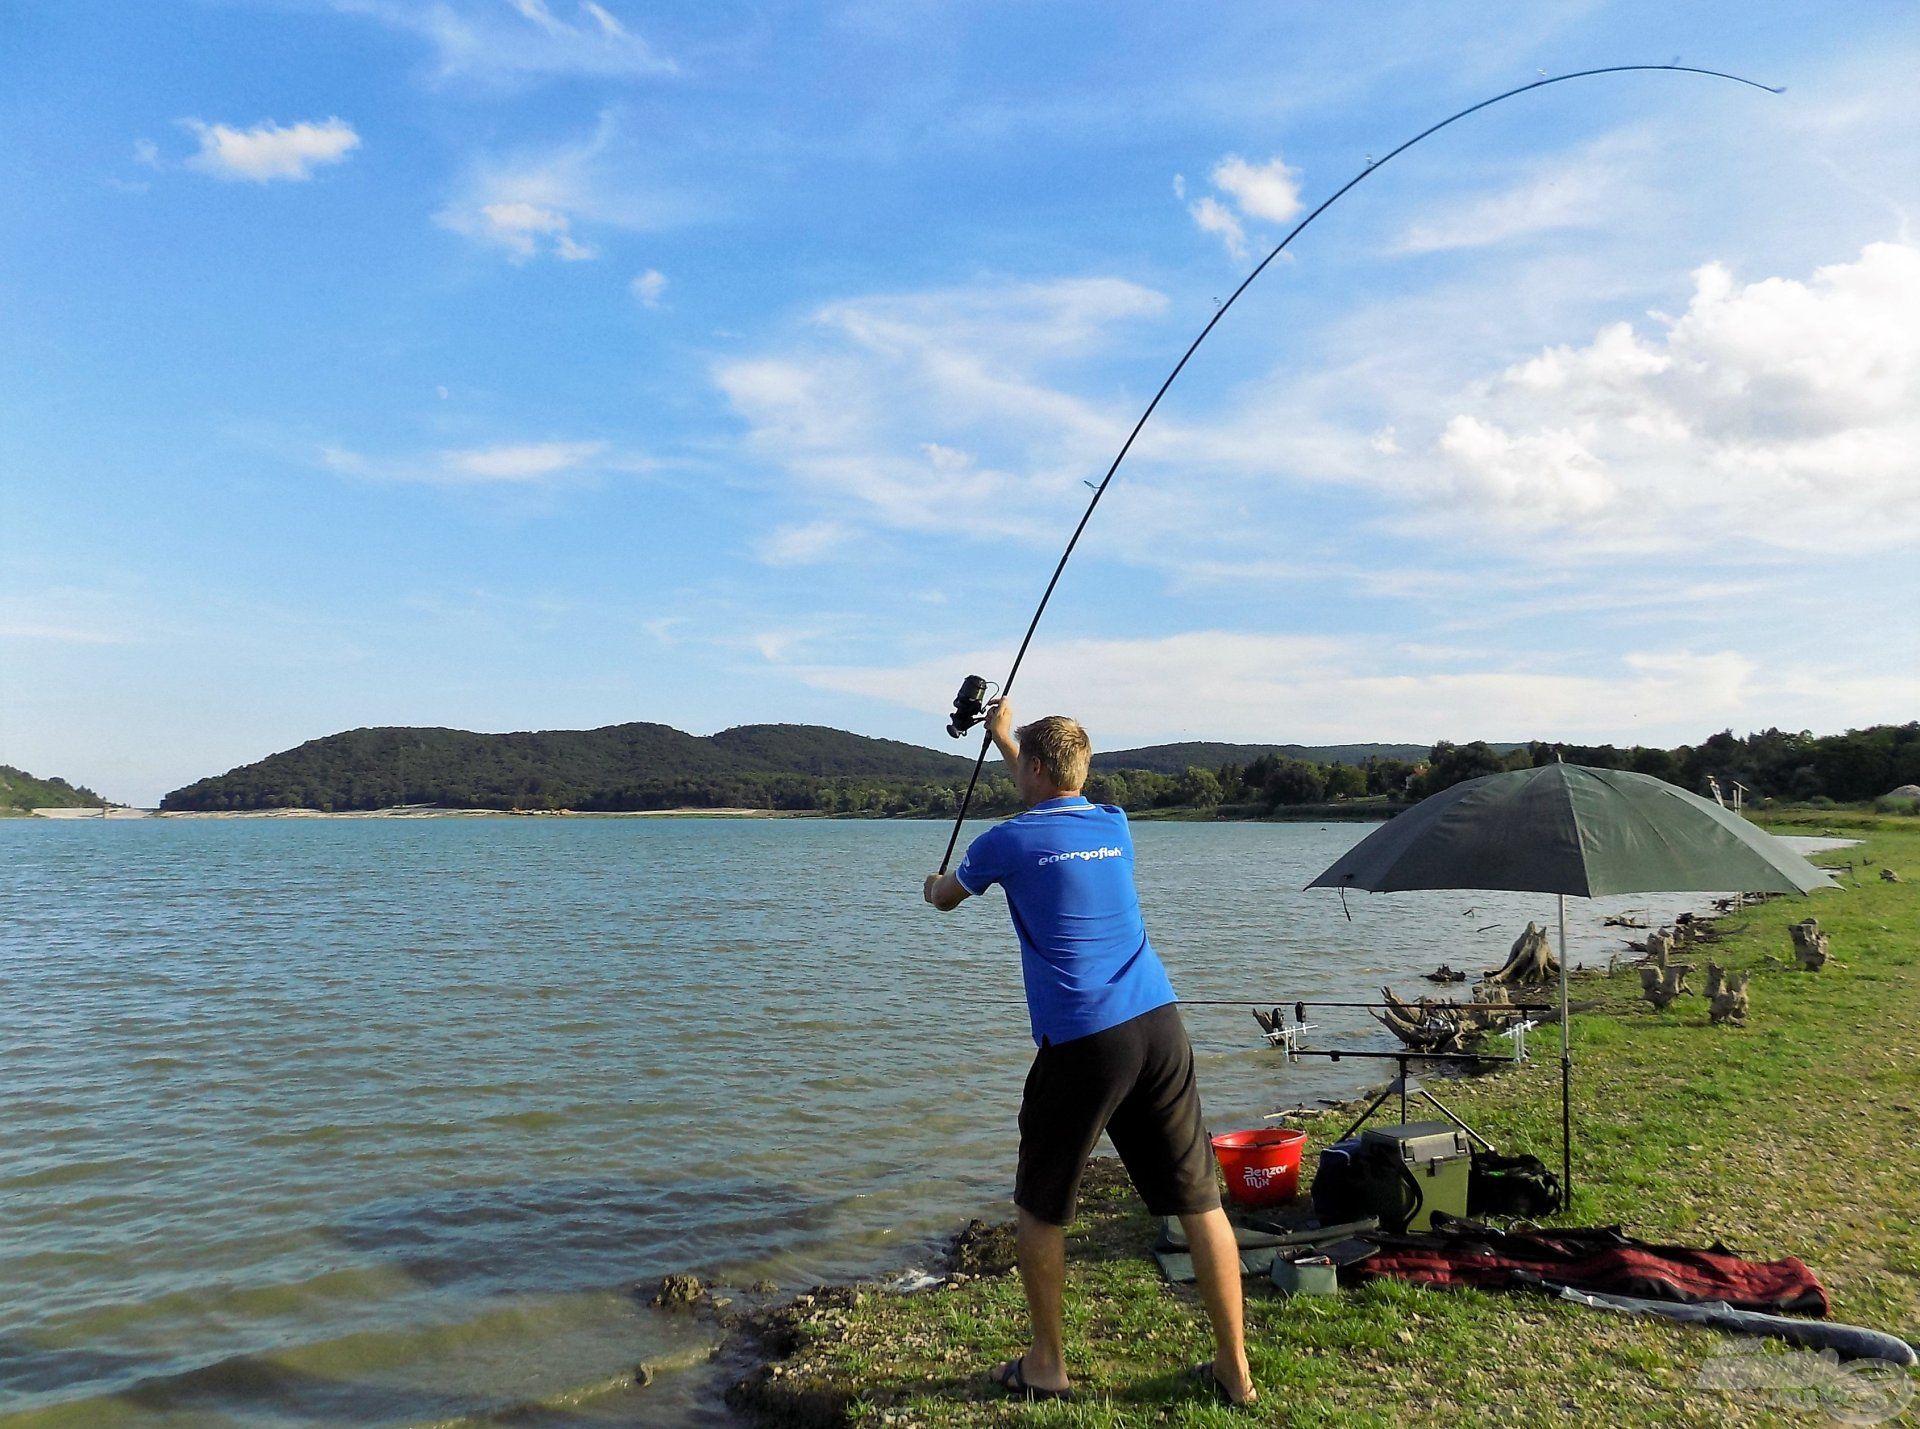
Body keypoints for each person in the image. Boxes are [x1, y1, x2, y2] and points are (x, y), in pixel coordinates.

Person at [922, 700, 1256, 1407]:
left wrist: (933, 885)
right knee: (1200, 1202)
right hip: (1158, 1022)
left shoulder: (1005, 841)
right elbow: (1052, 794)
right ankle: (1236, 1373)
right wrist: (1008, 737)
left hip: (1083, 1039)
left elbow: (948, 898)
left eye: (1023, 765)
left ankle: (1046, 1363)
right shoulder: (1115, 825)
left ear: (1035, 770)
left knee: (1041, 1207)